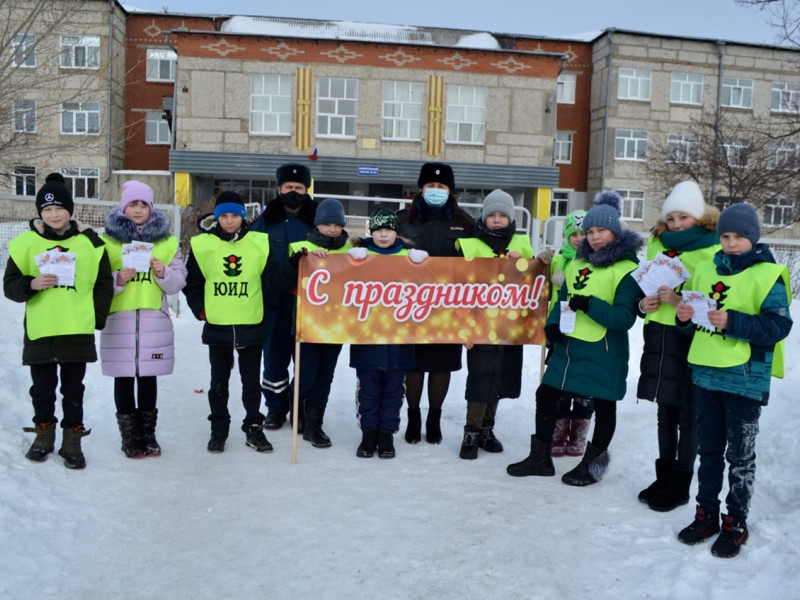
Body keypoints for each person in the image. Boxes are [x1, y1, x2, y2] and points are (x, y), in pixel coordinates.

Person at [675, 203, 791, 558]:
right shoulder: (706, 270)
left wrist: (734, 322)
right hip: (706, 374)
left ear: (752, 238)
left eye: (738, 236)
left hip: (744, 379)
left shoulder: (768, 275)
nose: (730, 242)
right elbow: (695, 315)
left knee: (739, 457)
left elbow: (778, 326)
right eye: (725, 236)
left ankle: (735, 522)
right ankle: (706, 513)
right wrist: (683, 316)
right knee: (708, 452)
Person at [506, 191, 642, 486]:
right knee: (546, 395)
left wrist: (592, 305)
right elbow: (562, 299)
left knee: (605, 405)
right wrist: (552, 326)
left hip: (604, 349)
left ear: (616, 233)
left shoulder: (628, 270)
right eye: (589, 231)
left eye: (600, 231)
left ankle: (592, 466)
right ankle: (540, 457)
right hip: (569, 347)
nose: (593, 237)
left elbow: (624, 319)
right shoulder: (577, 264)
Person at [4, 173, 113, 469]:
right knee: (42, 389)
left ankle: (72, 442)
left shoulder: (91, 243)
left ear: (70, 210)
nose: (54, 215)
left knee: (73, 389)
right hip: (41, 329)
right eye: (47, 209)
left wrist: (97, 317)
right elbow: (10, 287)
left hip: (76, 328)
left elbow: (104, 284)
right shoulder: (25, 244)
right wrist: (31, 284)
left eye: (59, 208)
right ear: (40, 212)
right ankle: (43, 436)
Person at [183, 191, 297, 453]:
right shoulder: (203, 245)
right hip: (219, 325)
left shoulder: (258, 243)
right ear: (217, 217)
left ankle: (253, 428)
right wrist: (201, 310)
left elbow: (271, 281)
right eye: (224, 215)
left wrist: (292, 266)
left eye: (235, 215)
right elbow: (193, 284)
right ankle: (219, 428)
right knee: (219, 383)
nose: (230, 220)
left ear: (243, 216)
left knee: (251, 383)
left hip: (250, 323)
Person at [636, 181, 720, 511]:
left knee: (689, 413)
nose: (676, 224)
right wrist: (645, 304)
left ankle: (681, 482)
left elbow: (713, 299)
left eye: (684, 217)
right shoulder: (658, 244)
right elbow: (646, 285)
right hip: (659, 335)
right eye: (671, 218)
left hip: (690, 337)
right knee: (664, 411)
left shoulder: (712, 248)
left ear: (698, 217)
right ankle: (664, 475)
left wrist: (679, 298)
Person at [100, 180, 187, 458]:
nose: (138, 210)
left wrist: (164, 274)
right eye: (132, 204)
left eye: (143, 205)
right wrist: (117, 279)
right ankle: (130, 437)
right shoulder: (105, 243)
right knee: (124, 379)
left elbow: (178, 283)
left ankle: (148, 435)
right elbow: (96, 283)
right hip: (119, 321)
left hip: (154, 321)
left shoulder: (168, 242)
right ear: (123, 207)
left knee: (148, 379)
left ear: (151, 208)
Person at [397, 162, 474, 444]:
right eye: (431, 186)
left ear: (450, 191)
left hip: (449, 304)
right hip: (410, 304)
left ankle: (434, 417)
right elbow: (384, 252)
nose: (436, 190)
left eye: (441, 187)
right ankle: (414, 415)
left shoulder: (465, 222)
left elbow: (482, 257)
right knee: (413, 363)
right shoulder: (403, 220)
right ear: (421, 188)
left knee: (441, 363)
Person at [454, 189, 533, 460]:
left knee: (499, 378)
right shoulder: (470, 245)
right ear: (484, 218)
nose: (497, 220)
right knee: (480, 377)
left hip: (509, 326)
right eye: (492, 215)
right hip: (478, 323)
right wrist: (463, 326)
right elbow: (458, 288)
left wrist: (521, 264)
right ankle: (471, 431)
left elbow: (534, 282)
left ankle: (488, 428)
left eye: (502, 216)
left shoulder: (522, 246)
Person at [347, 208, 427, 458]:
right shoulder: (361, 255)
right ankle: (368, 434)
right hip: (367, 342)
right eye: (378, 230)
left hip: (399, 342)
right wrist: (349, 259)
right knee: (368, 392)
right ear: (371, 232)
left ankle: (386, 435)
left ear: (396, 232)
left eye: (389, 230)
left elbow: (430, 284)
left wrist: (423, 261)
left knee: (394, 393)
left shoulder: (407, 256)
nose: (383, 235)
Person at [250, 163, 316, 431]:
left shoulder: (318, 220)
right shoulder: (262, 222)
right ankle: (276, 408)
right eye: (288, 187)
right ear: (278, 188)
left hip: (310, 305)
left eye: (299, 187)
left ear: (307, 189)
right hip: (274, 302)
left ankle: (300, 407)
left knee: (306, 360)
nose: (293, 192)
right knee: (274, 359)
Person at [288, 198, 353, 448]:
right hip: (308, 324)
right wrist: (302, 259)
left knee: (325, 376)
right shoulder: (301, 246)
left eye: (337, 224)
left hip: (336, 325)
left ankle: (315, 423)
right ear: (317, 225)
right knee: (305, 376)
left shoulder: (351, 251)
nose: (333, 229)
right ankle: (296, 409)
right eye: (327, 224)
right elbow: (287, 278)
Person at [547, 209, 594, 458]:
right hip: (560, 330)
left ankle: (578, 433)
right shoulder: (558, 260)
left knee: (584, 383)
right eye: (572, 234)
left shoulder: (594, 261)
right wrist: (545, 267)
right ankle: (559, 430)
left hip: (585, 330)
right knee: (560, 384)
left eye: (582, 233)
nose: (577, 238)